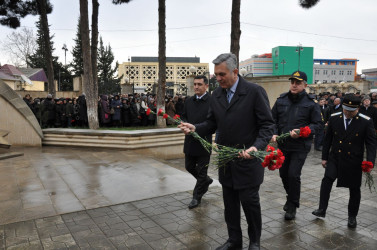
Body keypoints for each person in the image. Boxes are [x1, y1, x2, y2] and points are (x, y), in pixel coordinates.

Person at [179, 53, 275, 250]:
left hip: (248, 160)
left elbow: (267, 125)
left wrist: (256, 147)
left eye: (222, 74)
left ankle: (254, 242)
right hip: (226, 161)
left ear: (235, 72)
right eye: (216, 74)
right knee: (230, 205)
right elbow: (212, 122)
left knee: (250, 204)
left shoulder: (254, 92)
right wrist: (196, 128)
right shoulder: (217, 95)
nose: (218, 78)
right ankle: (234, 240)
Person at [312, 94, 376, 228]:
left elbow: (370, 144)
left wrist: (370, 161)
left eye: (351, 111)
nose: (348, 113)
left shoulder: (366, 121)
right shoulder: (335, 118)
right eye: (346, 110)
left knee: (354, 188)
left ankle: (352, 216)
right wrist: (324, 158)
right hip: (335, 157)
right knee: (327, 181)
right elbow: (328, 139)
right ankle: (322, 209)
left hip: (354, 160)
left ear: (357, 109)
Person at [271, 71, 322, 220]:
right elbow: (272, 120)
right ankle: (290, 197)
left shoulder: (311, 104)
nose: (294, 85)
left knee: (293, 174)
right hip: (283, 144)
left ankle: (292, 206)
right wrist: (273, 133)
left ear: (305, 85)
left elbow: (318, 125)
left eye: (298, 83)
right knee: (283, 174)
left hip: (300, 145)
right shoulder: (281, 100)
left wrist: (302, 132)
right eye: (292, 82)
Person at [181, 75, 213, 209]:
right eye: (194, 84)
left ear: (206, 86)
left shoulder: (212, 101)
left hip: (204, 141)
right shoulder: (188, 101)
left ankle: (196, 197)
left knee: (201, 172)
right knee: (189, 167)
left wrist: (197, 128)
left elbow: (212, 121)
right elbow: (183, 116)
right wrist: (183, 125)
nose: (196, 87)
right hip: (189, 141)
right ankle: (206, 181)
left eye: (199, 84)